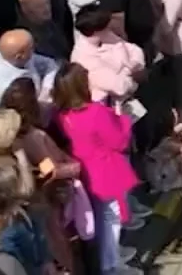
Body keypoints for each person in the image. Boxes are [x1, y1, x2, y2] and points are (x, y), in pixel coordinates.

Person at [55, 63, 139, 273]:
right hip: (107, 169)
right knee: (112, 218)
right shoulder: (97, 112)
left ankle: (112, 255)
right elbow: (118, 141)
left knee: (101, 217)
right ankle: (111, 264)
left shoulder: (63, 116)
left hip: (86, 170)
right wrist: (124, 120)